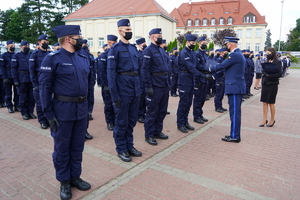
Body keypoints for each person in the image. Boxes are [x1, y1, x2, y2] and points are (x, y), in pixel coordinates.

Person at [39, 25, 92, 200]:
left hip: (81, 111)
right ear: (68, 39)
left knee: (77, 147)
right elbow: (44, 88)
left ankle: (75, 177)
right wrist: (49, 115)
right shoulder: (52, 59)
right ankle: (64, 181)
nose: (81, 39)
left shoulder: (83, 57)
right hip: (62, 111)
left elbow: (88, 85)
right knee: (62, 150)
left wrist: (88, 109)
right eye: (79, 36)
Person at [107, 19, 142, 162]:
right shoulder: (114, 50)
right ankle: (121, 148)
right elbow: (110, 74)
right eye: (127, 30)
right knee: (121, 122)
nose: (130, 32)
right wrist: (114, 95)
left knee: (132, 121)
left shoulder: (134, 49)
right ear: (119, 31)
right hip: (122, 91)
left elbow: (138, 71)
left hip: (135, 90)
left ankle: (129, 145)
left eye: (130, 30)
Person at [208, 37, 246, 143]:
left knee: (234, 113)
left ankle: (235, 136)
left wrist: (210, 69)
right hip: (235, 86)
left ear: (230, 44)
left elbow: (223, 65)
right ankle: (234, 134)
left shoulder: (235, 55)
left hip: (234, 87)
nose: (226, 47)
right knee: (234, 112)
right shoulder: (238, 55)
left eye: (227, 44)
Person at [177, 34, 212, 133]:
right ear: (187, 42)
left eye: (194, 43)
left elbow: (197, 66)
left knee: (188, 103)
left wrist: (209, 70)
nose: (193, 44)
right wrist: (204, 76)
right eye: (192, 43)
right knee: (183, 103)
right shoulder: (183, 53)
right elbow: (191, 68)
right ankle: (180, 123)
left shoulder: (192, 53)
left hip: (191, 79)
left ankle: (185, 122)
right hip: (184, 80)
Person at [141, 28, 170, 146]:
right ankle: (149, 134)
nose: (161, 38)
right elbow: (144, 70)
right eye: (159, 36)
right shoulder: (148, 51)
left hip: (164, 84)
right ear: (153, 37)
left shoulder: (161, 50)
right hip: (155, 85)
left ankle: (158, 131)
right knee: (152, 111)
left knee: (162, 111)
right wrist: (148, 87)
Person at [29, 34, 50, 129]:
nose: (45, 44)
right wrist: (34, 84)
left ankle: (48, 119)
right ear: (39, 43)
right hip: (39, 82)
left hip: (49, 82)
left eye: (46, 42)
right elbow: (32, 70)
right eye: (43, 42)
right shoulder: (35, 54)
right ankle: (42, 121)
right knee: (40, 102)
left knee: (49, 102)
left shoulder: (50, 54)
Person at [11, 41, 36, 120]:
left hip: (31, 78)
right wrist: (16, 80)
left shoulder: (31, 55)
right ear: (21, 47)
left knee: (31, 97)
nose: (27, 47)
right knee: (23, 97)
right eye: (25, 46)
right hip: (21, 79)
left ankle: (30, 112)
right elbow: (13, 69)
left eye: (28, 46)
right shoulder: (16, 56)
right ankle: (24, 113)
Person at [98, 35, 118, 130]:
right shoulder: (103, 56)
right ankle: (110, 122)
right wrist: (105, 85)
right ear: (109, 43)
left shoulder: (117, 53)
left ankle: (116, 121)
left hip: (117, 84)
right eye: (113, 43)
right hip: (108, 84)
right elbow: (101, 71)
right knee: (109, 104)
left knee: (117, 104)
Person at [259, 47, 282, 128]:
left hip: (272, 84)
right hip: (265, 83)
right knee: (264, 102)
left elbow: (280, 74)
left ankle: (272, 119)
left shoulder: (278, 62)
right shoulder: (267, 61)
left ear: (273, 53)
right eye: (266, 53)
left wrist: (269, 75)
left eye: (269, 53)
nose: (267, 55)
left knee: (271, 102)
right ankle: (264, 119)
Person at [0, 40, 20, 113]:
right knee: (8, 93)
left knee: (17, 93)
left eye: (13, 45)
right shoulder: (4, 55)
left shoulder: (16, 55)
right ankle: (9, 106)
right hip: (7, 76)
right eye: (11, 45)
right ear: (7, 46)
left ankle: (17, 106)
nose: (12, 46)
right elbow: (2, 67)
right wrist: (4, 77)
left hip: (15, 76)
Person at [193, 36, 209, 124]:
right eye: (203, 43)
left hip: (204, 78)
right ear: (199, 43)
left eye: (205, 43)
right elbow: (197, 66)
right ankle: (196, 116)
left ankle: (200, 114)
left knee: (203, 98)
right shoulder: (196, 54)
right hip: (199, 79)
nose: (204, 45)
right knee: (198, 99)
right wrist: (206, 69)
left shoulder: (204, 54)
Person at [136, 37, 147, 123]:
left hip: (146, 79)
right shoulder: (137, 54)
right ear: (139, 45)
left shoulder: (147, 53)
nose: (145, 45)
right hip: (140, 79)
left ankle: (143, 112)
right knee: (141, 98)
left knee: (146, 97)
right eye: (143, 44)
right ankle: (140, 115)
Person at [214, 47, 228, 113]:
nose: (226, 53)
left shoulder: (223, 59)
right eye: (225, 52)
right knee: (218, 94)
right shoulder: (219, 60)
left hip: (223, 78)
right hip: (219, 78)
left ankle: (220, 106)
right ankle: (217, 107)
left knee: (221, 94)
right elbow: (218, 70)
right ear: (222, 53)